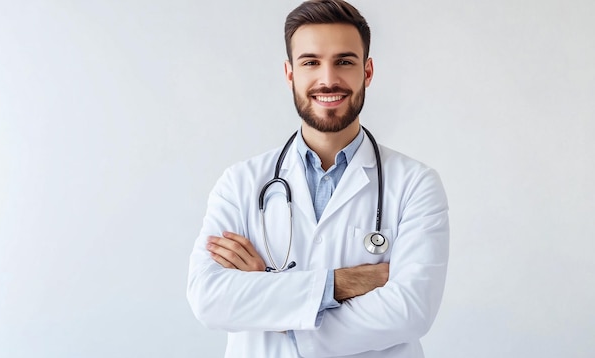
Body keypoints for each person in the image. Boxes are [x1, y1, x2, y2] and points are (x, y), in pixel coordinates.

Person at [186, 0, 449, 357]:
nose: (328, 79)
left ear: (367, 72)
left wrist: (271, 303)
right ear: (290, 73)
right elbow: (209, 299)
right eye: (311, 62)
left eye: (344, 61)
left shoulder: (416, 184)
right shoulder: (240, 183)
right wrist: (341, 283)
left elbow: (409, 312)